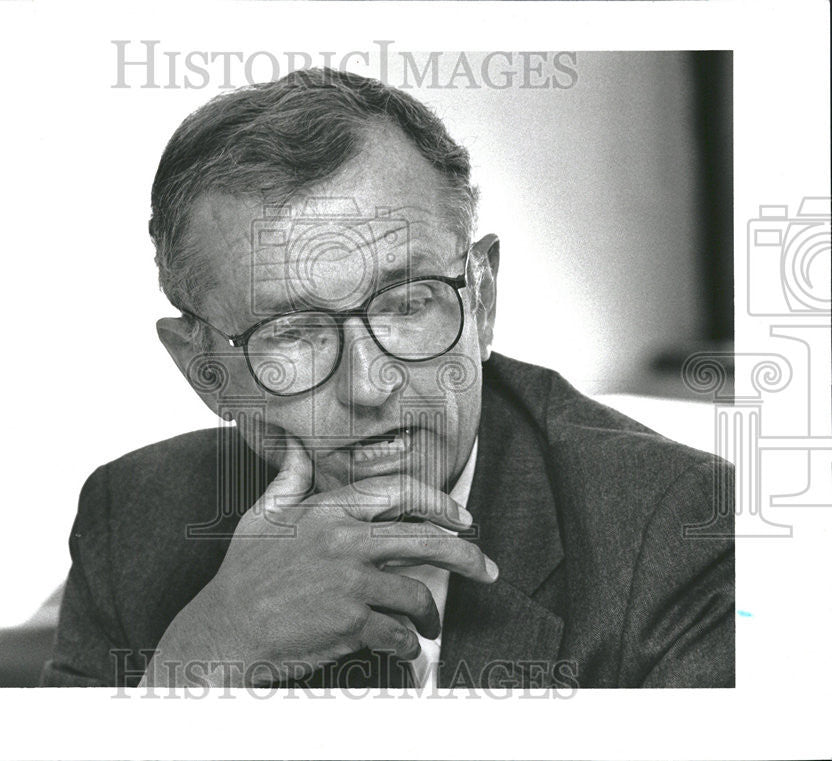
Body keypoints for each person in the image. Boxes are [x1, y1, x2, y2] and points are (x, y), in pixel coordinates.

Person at [41, 67, 734, 690]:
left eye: (407, 304)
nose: (369, 385)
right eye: (293, 331)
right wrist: (209, 654)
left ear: (482, 300)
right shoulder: (131, 517)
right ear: (206, 370)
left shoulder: (679, 526)